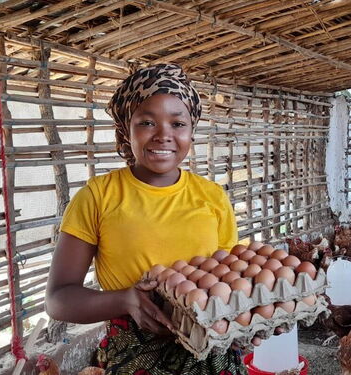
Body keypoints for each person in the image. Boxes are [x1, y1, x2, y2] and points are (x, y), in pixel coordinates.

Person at [45, 64, 248, 374]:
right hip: (134, 358)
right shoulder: (99, 196)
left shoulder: (212, 197)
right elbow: (59, 299)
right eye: (147, 122)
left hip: (213, 356)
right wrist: (126, 301)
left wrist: (245, 319)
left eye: (178, 123)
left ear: (192, 131)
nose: (164, 135)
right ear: (127, 129)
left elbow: (226, 280)